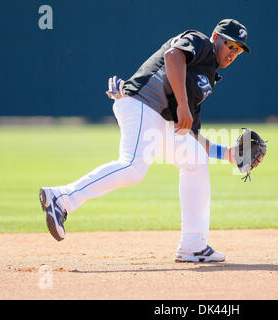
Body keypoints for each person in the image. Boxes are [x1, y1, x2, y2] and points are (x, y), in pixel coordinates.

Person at [39, 18, 251, 262]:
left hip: (159, 121)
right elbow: (173, 56)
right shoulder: (201, 42)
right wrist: (183, 105)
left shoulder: (208, 77)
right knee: (133, 167)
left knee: (196, 160)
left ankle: (194, 245)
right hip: (142, 105)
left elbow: (190, 132)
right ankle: (62, 198)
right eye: (230, 45)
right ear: (216, 38)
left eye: (239, 50)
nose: (233, 53)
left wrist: (229, 154)